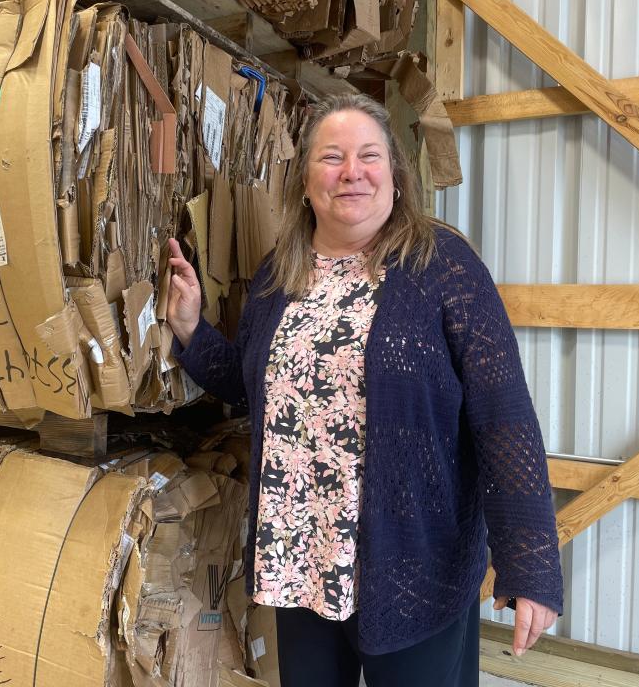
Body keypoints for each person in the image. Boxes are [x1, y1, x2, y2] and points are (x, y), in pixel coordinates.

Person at [166, 94, 562, 687]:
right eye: (332, 157)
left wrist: (528, 564)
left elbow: (503, 417)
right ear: (306, 182)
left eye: (369, 156)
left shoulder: (442, 265)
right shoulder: (280, 276)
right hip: (301, 563)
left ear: (396, 178)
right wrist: (193, 329)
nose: (352, 172)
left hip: (414, 571)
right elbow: (256, 389)